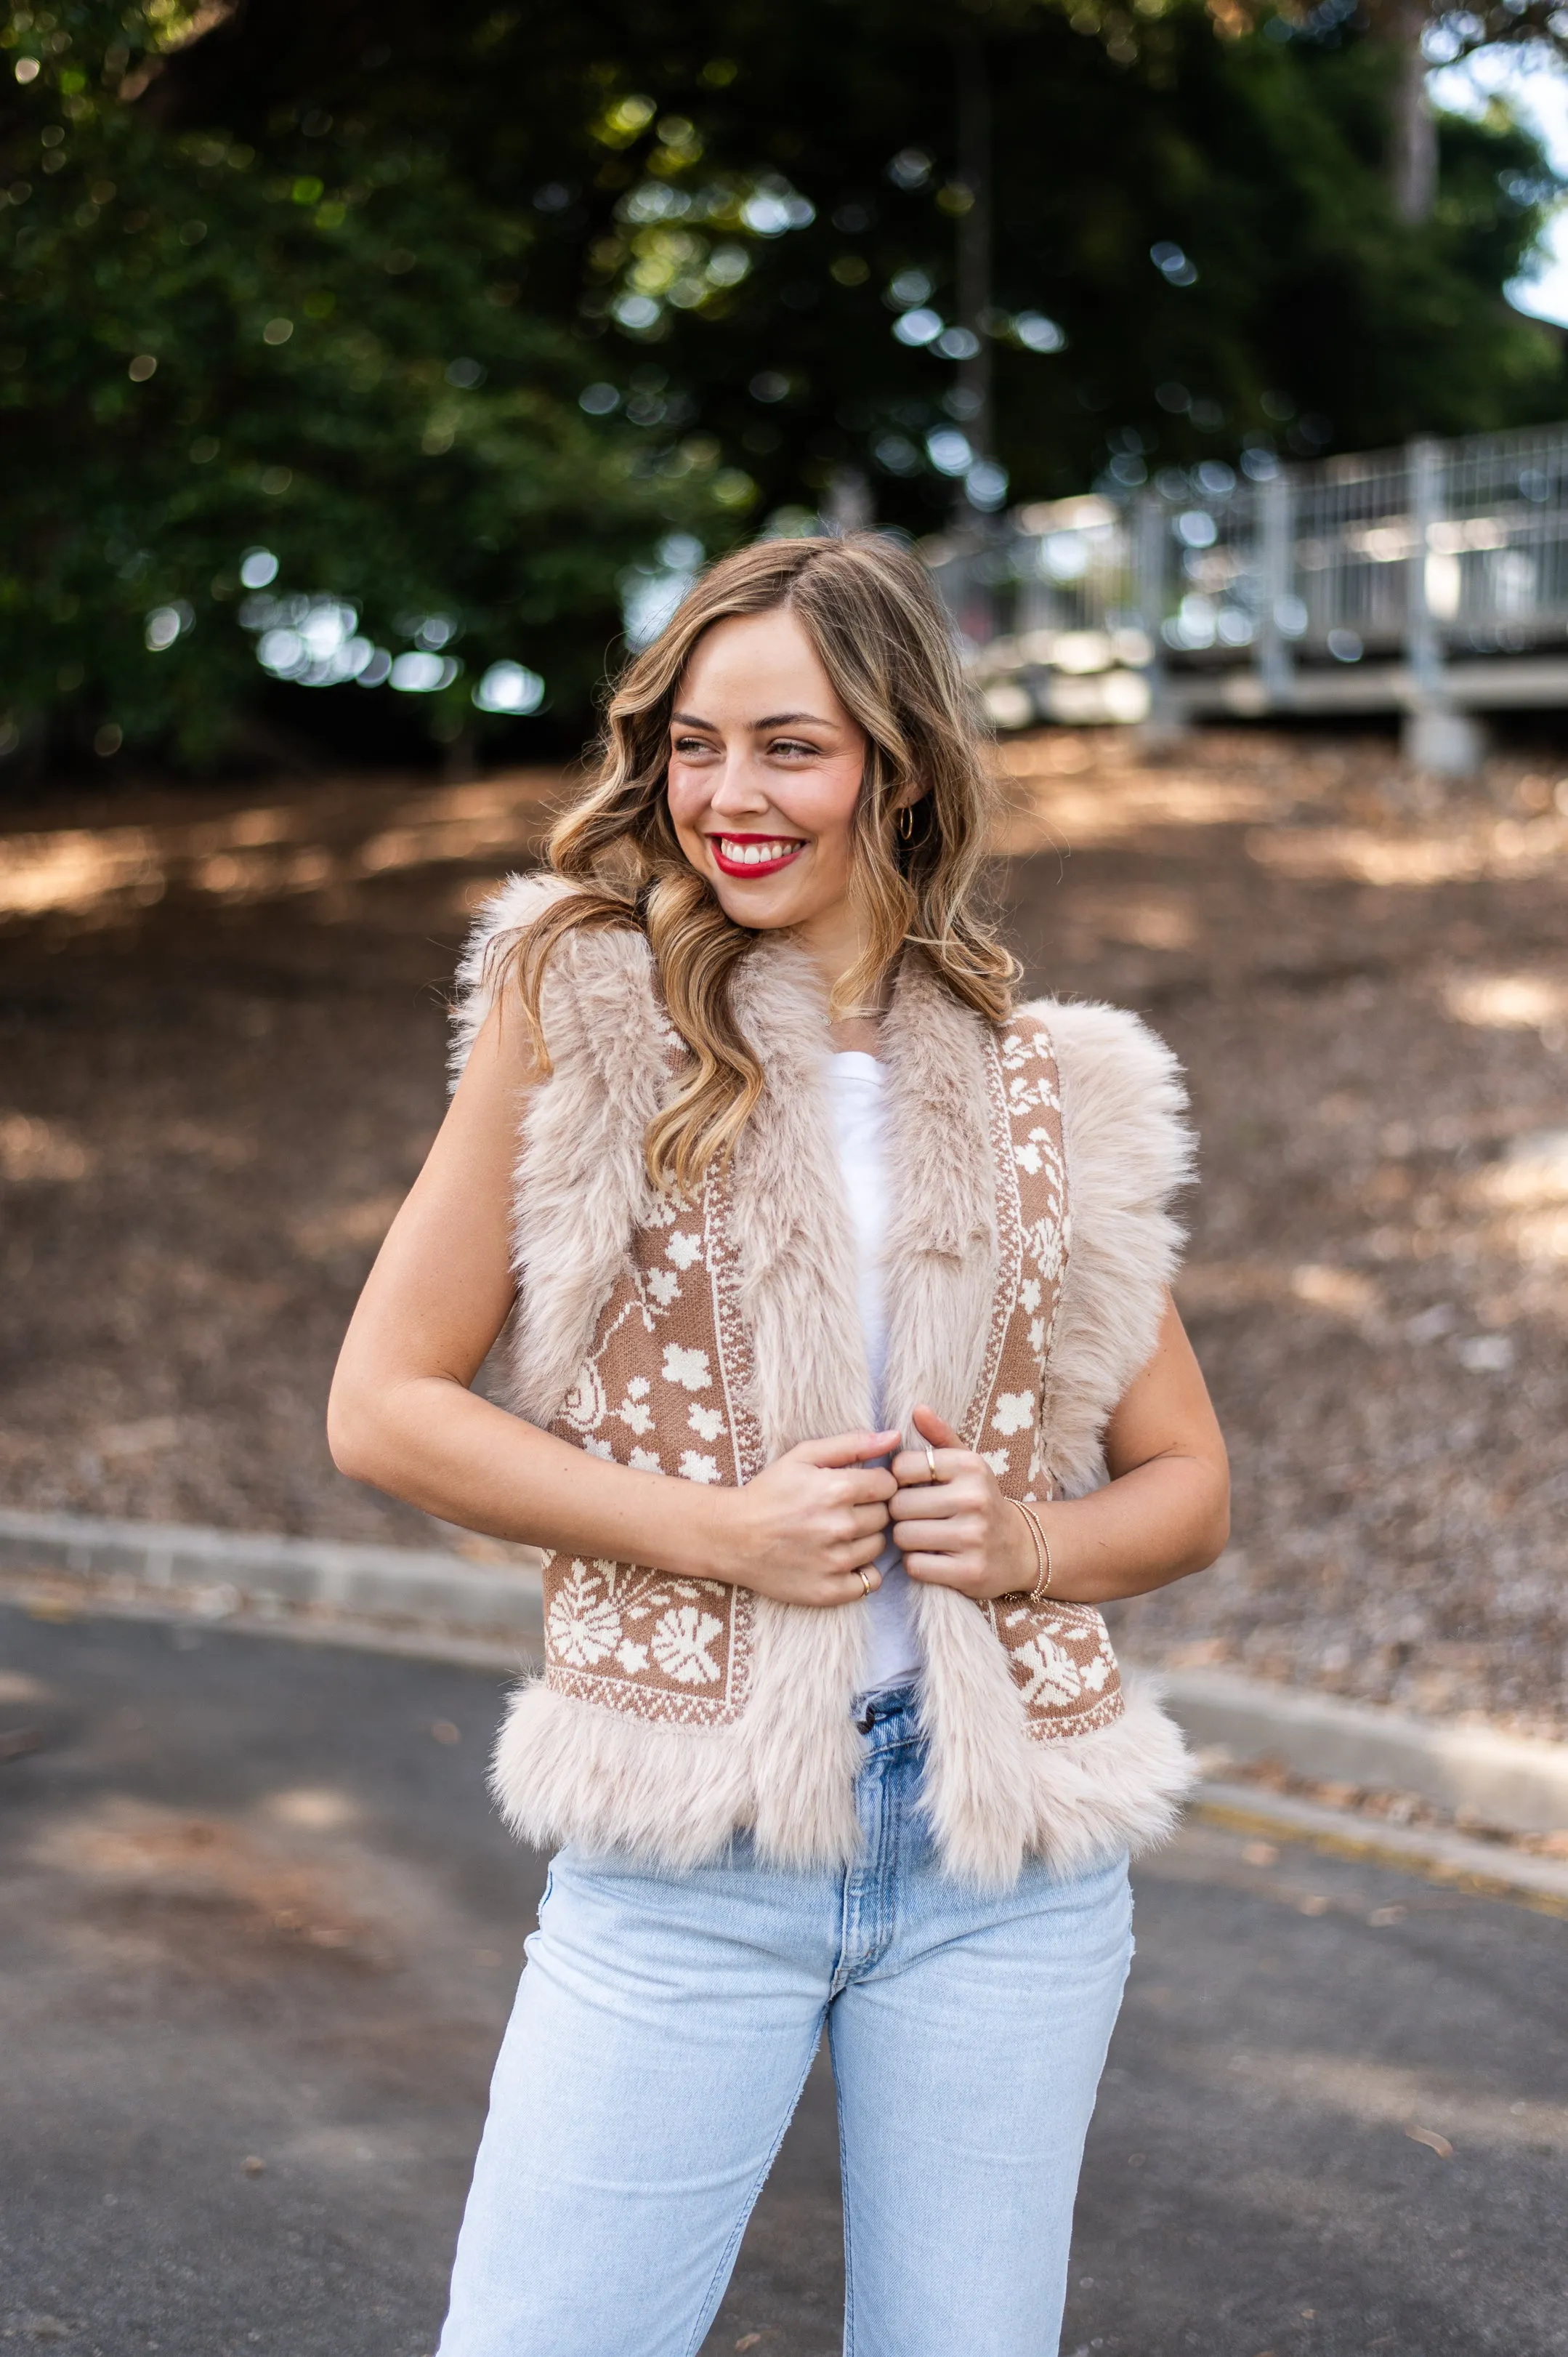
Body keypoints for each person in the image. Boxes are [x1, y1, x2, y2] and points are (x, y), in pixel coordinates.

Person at [327, 531, 1229, 2357]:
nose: (727, 795)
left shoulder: (1050, 1082)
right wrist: (720, 1531)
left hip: (1006, 1867)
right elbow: (385, 1411)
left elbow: (1185, 1485)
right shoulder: (577, 1010)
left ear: (894, 768)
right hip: (684, 1842)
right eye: (692, 742)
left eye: (789, 746)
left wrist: (1025, 1542)